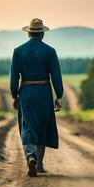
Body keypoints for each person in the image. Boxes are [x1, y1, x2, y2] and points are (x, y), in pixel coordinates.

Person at [10, 18, 64, 177]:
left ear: (29, 34)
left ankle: (31, 156)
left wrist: (14, 95)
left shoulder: (18, 51)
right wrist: (59, 95)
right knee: (42, 126)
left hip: (26, 92)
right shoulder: (50, 51)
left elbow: (14, 76)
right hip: (44, 93)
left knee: (27, 126)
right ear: (42, 34)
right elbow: (56, 75)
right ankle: (39, 163)